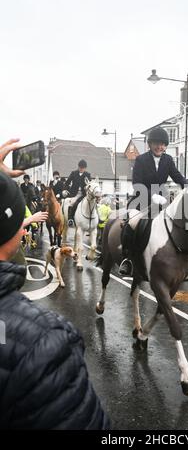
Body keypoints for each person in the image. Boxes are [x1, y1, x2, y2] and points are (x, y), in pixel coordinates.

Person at [0, 156, 109, 429]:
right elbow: (69, 190)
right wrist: (63, 193)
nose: (82, 170)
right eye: (81, 168)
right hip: (70, 197)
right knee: (71, 206)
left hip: (87, 200)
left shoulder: (88, 177)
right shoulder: (71, 177)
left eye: (83, 169)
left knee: (90, 212)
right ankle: (70, 232)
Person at [119, 127, 187, 276]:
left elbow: (177, 176)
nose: (160, 146)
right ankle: (127, 258)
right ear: (150, 144)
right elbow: (137, 184)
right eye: (156, 143)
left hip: (161, 202)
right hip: (140, 200)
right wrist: (152, 195)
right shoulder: (141, 159)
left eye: (163, 144)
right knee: (132, 223)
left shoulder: (168, 160)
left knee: (176, 223)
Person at [63, 160, 91, 224]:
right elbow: (67, 183)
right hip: (75, 194)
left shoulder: (87, 174)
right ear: (78, 167)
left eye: (83, 168)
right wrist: (65, 189)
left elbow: (90, 185)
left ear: (85, 168)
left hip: (84, 194)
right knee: (72, 203)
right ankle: (70, 219)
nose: (81, 169)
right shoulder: (73, 173)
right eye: (80, 167)